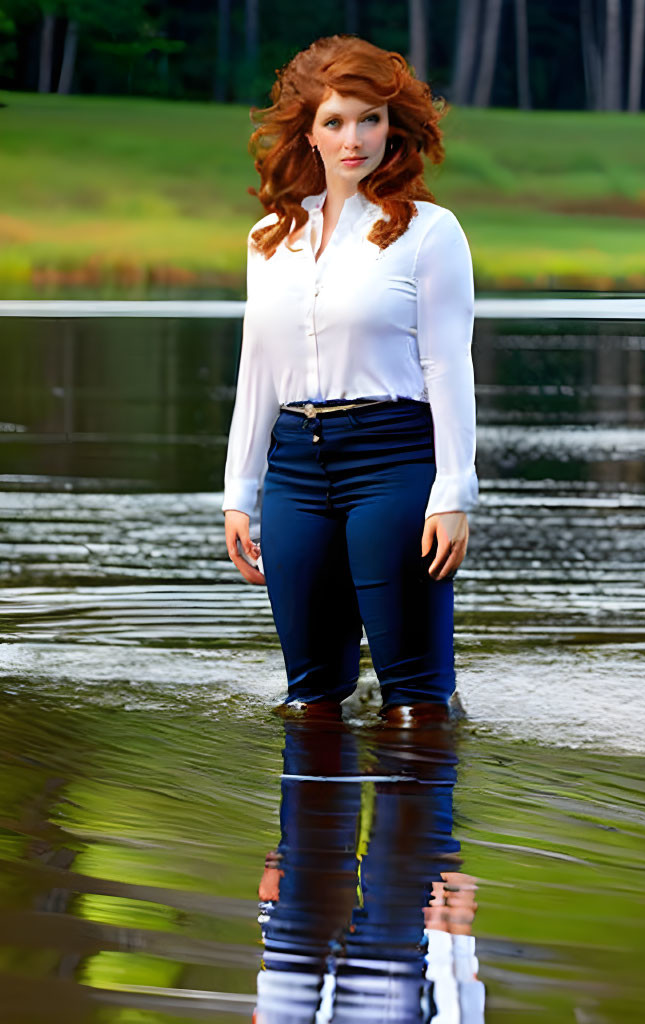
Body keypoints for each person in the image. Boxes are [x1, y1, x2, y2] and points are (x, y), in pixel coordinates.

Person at [222, 35, 477, 724]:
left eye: (369, 118)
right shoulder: (269, 237)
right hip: (296, 471)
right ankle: (307, 833)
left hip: (394, 461)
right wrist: (238, 494)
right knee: (309, 701)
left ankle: (418, 828)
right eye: (334, 121)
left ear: (394, 126)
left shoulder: (430, 232)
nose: (353, 138)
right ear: (307, 132)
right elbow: (258, 369)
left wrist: (454, 492)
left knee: (415, 703)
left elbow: (448, 363)